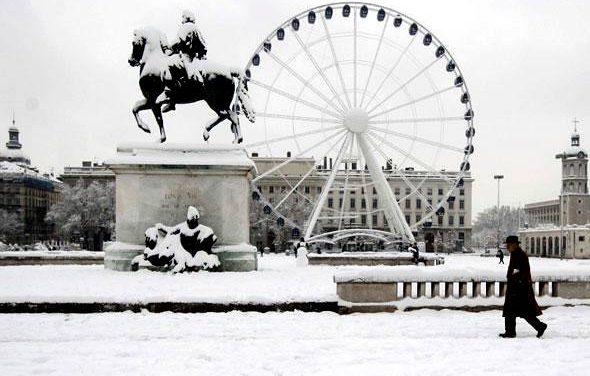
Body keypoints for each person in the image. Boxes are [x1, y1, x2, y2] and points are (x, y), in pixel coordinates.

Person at [499, 235, 548, 338]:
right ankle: (510, 331)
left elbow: (520, 272)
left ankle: (539, 326)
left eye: (509, 245)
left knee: (523, 311)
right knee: (512, 311)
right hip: (516, 287)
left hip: (520, 288)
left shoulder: (520, 255)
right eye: (507, 245)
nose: (507, 247)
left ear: (515, 245)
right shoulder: (515, 254)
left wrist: (513, 277)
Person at [164, 10, 208, 112]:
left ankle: (171, 96)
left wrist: (168, 48)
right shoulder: (196, 28)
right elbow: (203, 45)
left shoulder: (186, 27)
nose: (181, 19)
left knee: (168, 65)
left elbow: (178, 41)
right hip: (194, 57)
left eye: (183, 17)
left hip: (185, 56)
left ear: (186, 18)